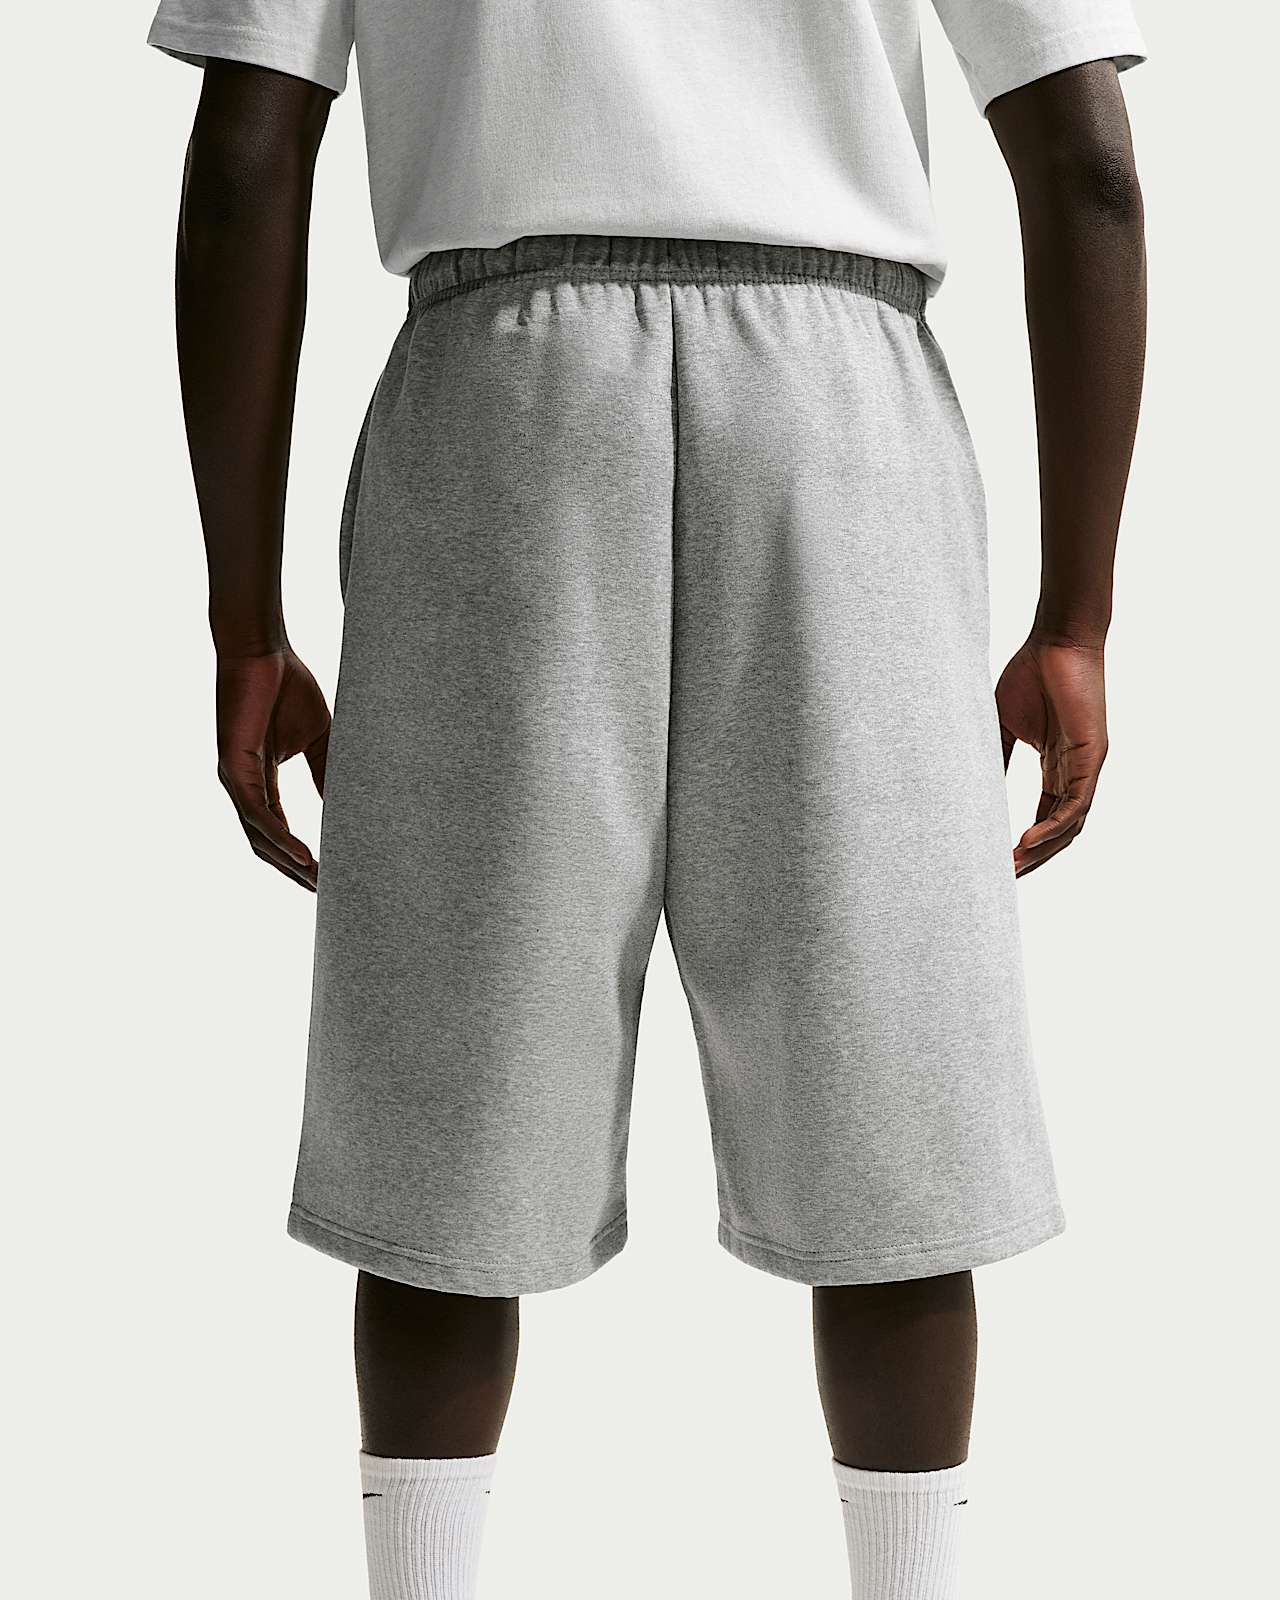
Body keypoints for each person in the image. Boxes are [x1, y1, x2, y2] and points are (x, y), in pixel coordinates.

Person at [148, 0, 1147, 1594]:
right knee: (887, 1130)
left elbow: (246, 159)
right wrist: (1077, 616)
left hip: (501, 406)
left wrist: (243, 621)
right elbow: (1086, 162)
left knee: (449, 1131)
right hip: (843, 415)